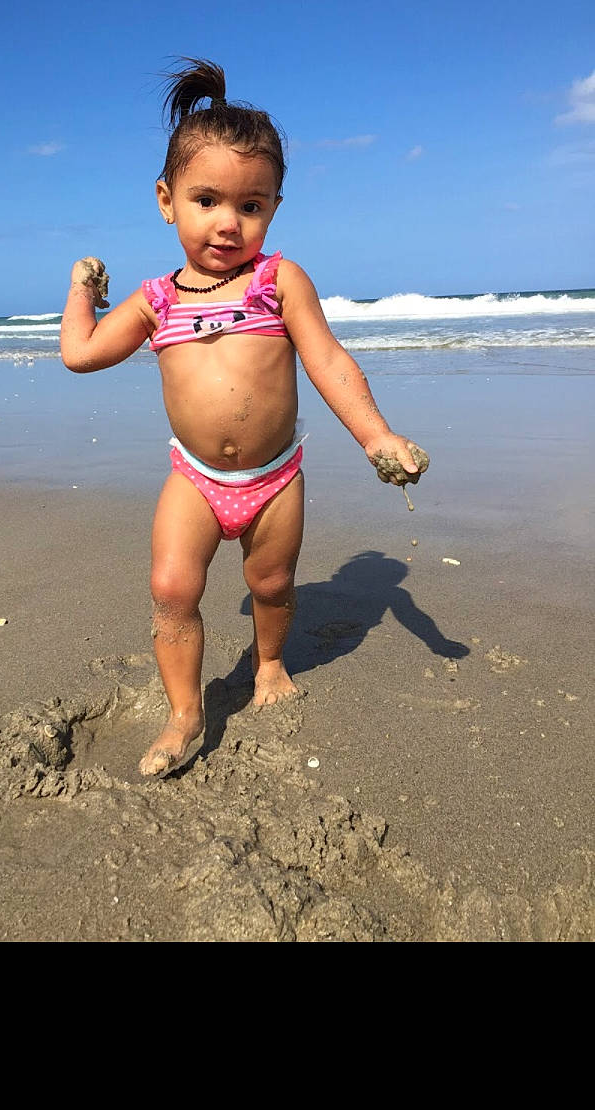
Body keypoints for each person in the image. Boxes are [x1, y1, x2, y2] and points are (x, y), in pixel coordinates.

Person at [60, 58, 426, 777]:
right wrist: (82, 290)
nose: (228, 223)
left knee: (271, 586)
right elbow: (81, 353)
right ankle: (185, 712)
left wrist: (376, 434)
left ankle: (266, 665)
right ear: (166, 201)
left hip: (272, 477)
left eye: (251, 206)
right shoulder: (155, 300)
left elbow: (327, 362)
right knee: (171, 588)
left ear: (274, 208)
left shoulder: (277, 281)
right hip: (194, 477)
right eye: (206, 200)